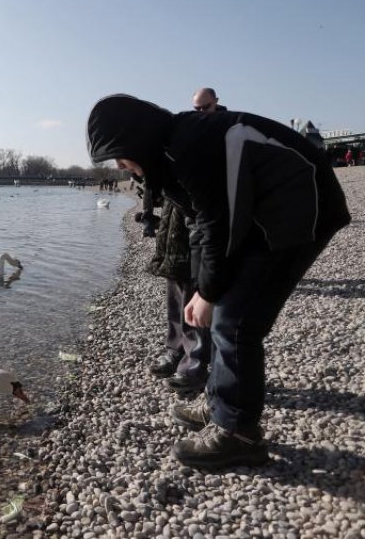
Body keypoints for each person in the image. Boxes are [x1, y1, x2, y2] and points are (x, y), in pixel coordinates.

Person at [86, 94, 350, 468]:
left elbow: (220, 225)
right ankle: (220, 403)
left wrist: (209, 293)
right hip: (262, 212)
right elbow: (198, 224)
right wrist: (200, 287)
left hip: (299, 210)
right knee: (225, 307)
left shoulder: (190, 147)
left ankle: (239, 433)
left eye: (120, 154)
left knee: (236, 322)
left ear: (137, 139)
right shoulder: (168, 155)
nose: (121, 165)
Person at [148, 88, 225, 389]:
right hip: (174, 225)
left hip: (199, 226)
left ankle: (195, 364)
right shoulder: (188, 134)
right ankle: (174, 349)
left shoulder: (222, 132)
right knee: (175, 291)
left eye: (204, 107)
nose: (200, 112)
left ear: (216, 103)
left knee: (196, 297)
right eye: (195, 108)